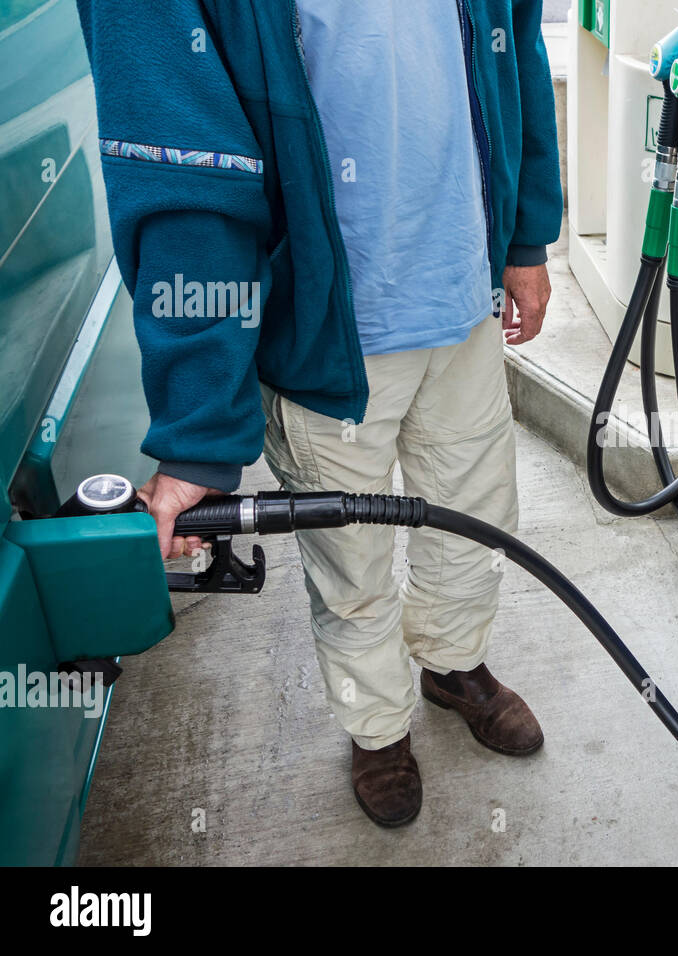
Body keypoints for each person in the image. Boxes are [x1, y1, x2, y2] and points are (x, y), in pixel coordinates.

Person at [77, 0, 563, 827]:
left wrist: (524, 238)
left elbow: (512, 43)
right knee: (351, 570)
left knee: (475, 520)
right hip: (325, 339)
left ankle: (453, 664)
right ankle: (376, 729)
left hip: (463, 301)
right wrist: (199, 439)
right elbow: (186, 172)